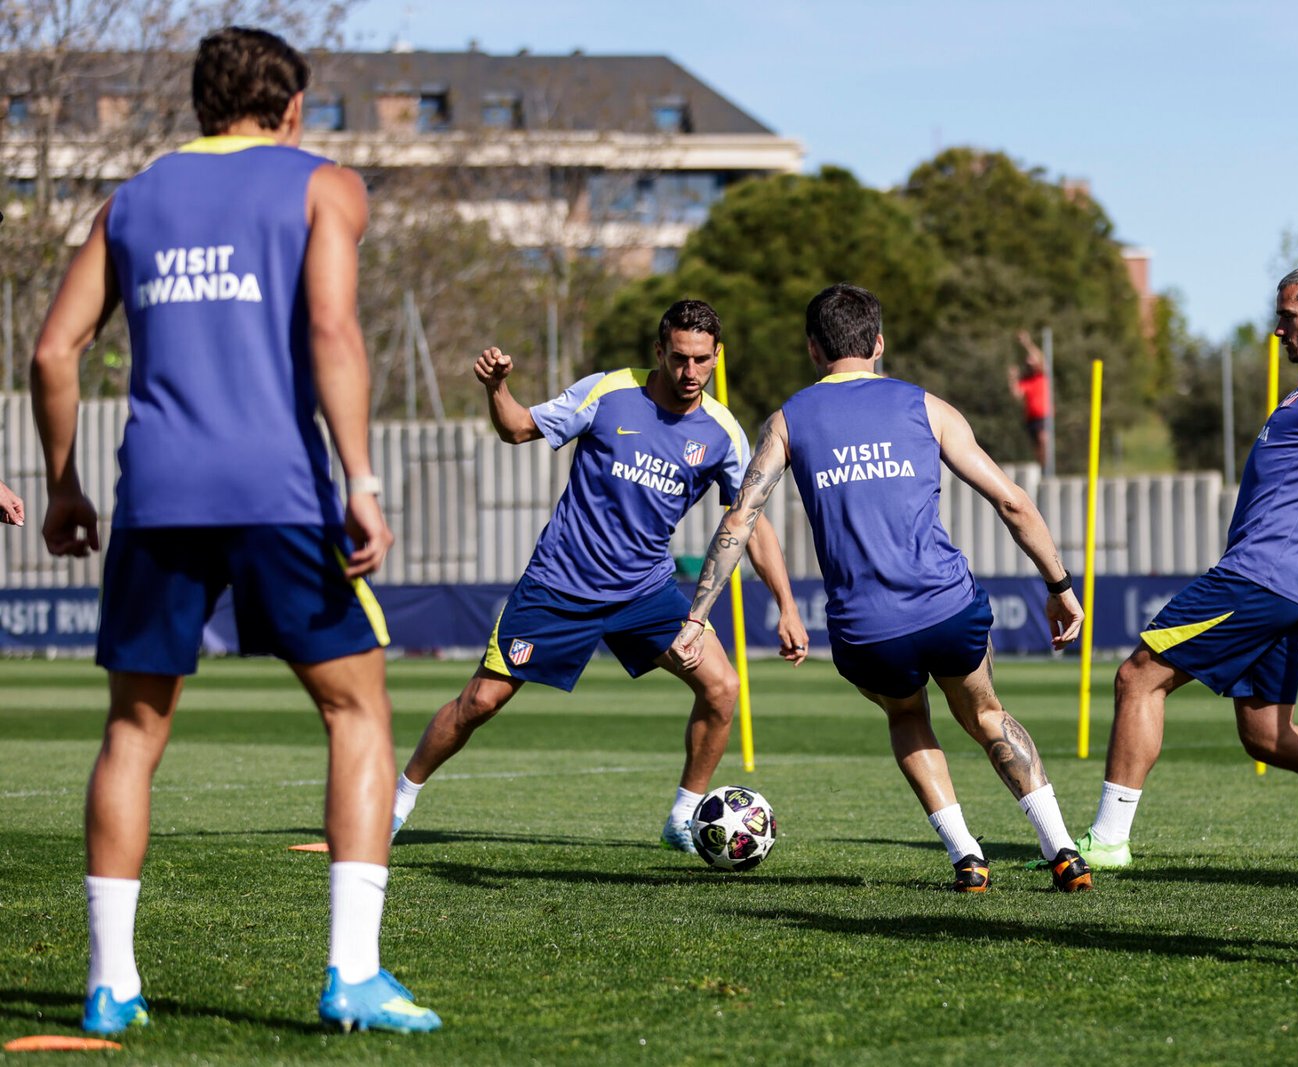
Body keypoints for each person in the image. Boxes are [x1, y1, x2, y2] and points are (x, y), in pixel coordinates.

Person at [30, 27, 439, 1034]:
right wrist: (363, 478)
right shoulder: (322, 184)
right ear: (291, 106)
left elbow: (52, 351)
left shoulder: (131, 200)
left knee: (134, 728)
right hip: (277, 490)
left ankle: (110, 984)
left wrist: (63, 485)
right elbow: (334, 331)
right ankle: (351, 972)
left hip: (157, 494)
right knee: (356, 710)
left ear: (200, 104)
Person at [671, 283, 1093, 893]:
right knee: (985, 714)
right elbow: (1011, 500)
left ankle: (967, 855)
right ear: (878, 343)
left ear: (813, 349)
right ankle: (1061, 850)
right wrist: (1059, 585)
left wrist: (695, 618)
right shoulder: (926, 406)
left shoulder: (789, 419)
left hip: (866, 630)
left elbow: (740, 519)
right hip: (946, 605)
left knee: (907, 716)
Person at [389, 301, 807, 852]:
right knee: (480, 703)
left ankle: (682, 818)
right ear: (659, 352)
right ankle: (391, 810)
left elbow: (749, 522)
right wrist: (497, 387)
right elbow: (516, 429)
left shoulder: (723, 433)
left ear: (716, 357)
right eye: (679, 358)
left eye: (701, 361)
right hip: (559, 585)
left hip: (644, 593)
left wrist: (788, 604)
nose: (689, 373)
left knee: (721, 687)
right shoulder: (609, 392)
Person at [1075, 263, 1298, 871]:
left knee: (1138, 676)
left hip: (1261, 577)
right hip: (1285, 582)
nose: (1278, 329)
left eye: (1289, 316)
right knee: (1268, 737)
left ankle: (1107, 841)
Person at [1008, 330, 1051, 468]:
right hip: (1031, 418)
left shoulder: (1042, 375)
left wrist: (1027, 343)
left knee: (1043, 439)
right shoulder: (1026, 381)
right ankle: (1043, 468)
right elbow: (1017, 394)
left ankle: (1047, 466)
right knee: (1037, 447)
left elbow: (1040, 358)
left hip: (1044, 416)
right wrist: (1012, 377)